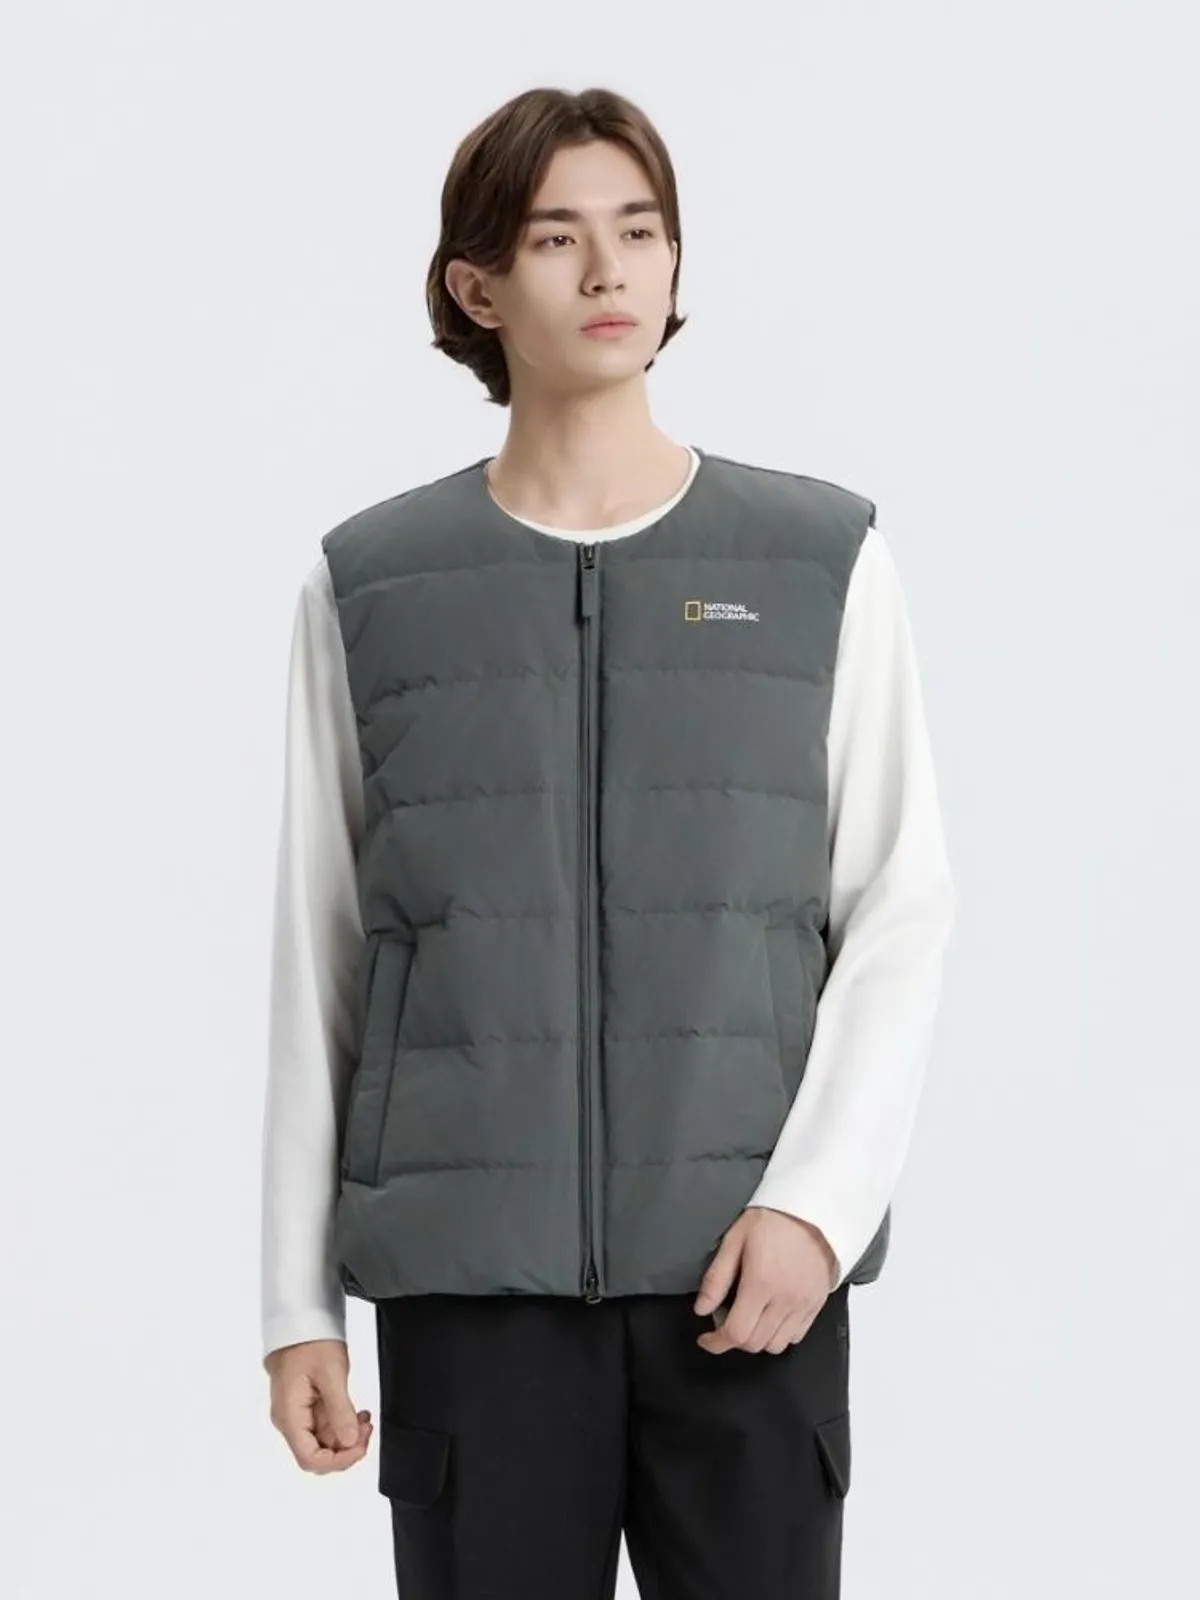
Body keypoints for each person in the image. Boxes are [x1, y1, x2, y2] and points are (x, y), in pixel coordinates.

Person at [261, 84, 956, 1599]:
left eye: (640, 232)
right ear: (477, 288)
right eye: (556, 238)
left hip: (747, 1282)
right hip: (471, 1295)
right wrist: (295, 1302)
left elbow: (898, 910)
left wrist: (816, 1211)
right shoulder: (370, 586)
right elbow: (322, 957)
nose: (608, 273)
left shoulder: (817, 560)